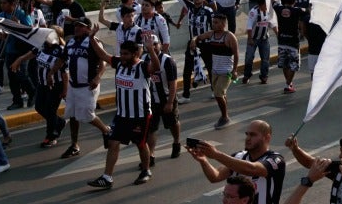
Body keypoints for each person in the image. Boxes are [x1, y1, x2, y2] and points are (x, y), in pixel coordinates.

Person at [86, 31, 159, 188]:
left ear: (134, 54)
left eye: (126, 54)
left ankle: (146, 170)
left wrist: (151, 50)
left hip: (140, 115)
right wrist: (92, 40)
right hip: (122, 115)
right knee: (113, 143)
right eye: (121, 53)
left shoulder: (142, 67)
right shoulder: (119, 63)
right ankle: (107, 177)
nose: (122, 56)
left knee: (140, 143)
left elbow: (156, 67)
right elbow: (104, 56)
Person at [189, 120, 286, 204]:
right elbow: (215, 176)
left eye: (253, 135)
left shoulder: (275, 160)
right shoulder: (239, 157)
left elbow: (252, 169)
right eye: (247, 134)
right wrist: (203, 161)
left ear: (267, 137)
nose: (248, 138)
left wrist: (215, 154)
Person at [51, 17, 112, 159]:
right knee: (72, 115)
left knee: (87, 115)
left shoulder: (93, 42)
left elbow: (103, 62)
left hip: (88, 86)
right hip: (73, 85)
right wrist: (51, 73)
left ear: (88, 28)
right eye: (76, 25)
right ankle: (74, 145)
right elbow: (62, 59)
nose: (77, 28)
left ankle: (106, 130)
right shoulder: (70, 42)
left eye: (81, 26)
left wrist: (97, 78)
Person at [9, 26, 68, 148]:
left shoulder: (61, 50)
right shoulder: (42, 46)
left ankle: (51, 136)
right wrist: (19, 60)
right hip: (42, 83)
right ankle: (59, 122)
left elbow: (64, 72)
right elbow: (30, 54)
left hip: (56, 85)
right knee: (39, 107)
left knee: (51, 110)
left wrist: (65, 89)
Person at [167, 0, 215, 104]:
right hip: (192, 44)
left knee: (210, 67)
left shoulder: (208, 12)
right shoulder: (190, 8)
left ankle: (214, 89)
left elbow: (214, 29)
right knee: (187, 70)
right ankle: (186, 95)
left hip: (205, 43)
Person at [190, 13, 239, 129]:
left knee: (217, 94)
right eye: (213, 22)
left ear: (223, 24)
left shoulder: (229, 37)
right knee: (221, 94)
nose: (214, 24)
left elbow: (236, 54)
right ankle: (225, 114)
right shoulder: (211, 34)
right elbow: (199, 37)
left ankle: (224, 117)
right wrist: (193, 40)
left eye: (216, 22)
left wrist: (235, 71)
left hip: (226, 72)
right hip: (214, 71)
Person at [145, 34, 182, 163]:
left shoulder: (167, 61)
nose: (153, 47)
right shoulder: (144, 59)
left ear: (160, 44)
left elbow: (173, 83)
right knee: (151, 128)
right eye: (150, 44)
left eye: (155, 44)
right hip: (151, 101)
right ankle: (151, 154)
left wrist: (170, 102)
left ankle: (176, 142)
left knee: (172, 122)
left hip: (166, 98)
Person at [0, 0, 36, 112]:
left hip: (22, 49)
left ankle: (32, 92)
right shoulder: (1, 16)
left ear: (12, 4)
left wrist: (18, 24)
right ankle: (17, 100)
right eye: (1, 3)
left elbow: (30, 30)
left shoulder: (21, 14)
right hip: (10, 49)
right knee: (12, 76)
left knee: (20, 74)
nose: (2, 5)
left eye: (5, 3)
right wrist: (1, 35)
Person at [273, 0, 305, 94]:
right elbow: (309, 11)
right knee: (293, 65)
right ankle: (288, 84)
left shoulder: (278, 8)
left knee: (285, 64)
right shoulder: (297, 10)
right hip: (293, 42)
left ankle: (288, 84)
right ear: (294, 1)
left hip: (282, 40)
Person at [242, 0, 278, 85]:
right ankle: (247, 75)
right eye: (266, 4)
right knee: (249, 58)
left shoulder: (269, 12)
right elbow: (249, 26)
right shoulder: (253, 12)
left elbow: (273, 25)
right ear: (260, 4)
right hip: (253, 39)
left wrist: (278, 36)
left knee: (265, 59)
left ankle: (264, 76)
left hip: (264, 39)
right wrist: (250, 39)